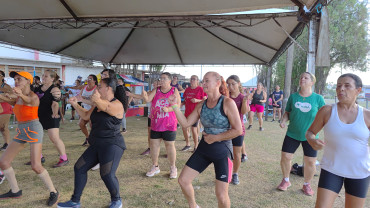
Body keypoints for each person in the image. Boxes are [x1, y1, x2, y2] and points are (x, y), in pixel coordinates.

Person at [169, 72, 242, 208]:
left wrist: (216, 137)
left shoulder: (227, 102)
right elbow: (185, 123)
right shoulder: (201, 105)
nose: (204, 84)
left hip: (222, 150)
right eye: (203, 81)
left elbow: (238, 130)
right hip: (204, 148)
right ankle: (193, 206)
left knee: (221, 195)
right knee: (183, 180)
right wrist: (174, 106)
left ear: (218, 83)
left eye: (207, 81)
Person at [57, 78, 125, 208]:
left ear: (108, 89)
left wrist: (96, 99)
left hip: (112, 144)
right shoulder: (97, 104)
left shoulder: (117, 104)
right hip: (96, 143)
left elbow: (107, 108)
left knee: (106, 174)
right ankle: (75, 201)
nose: (97, 89)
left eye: (100, 87)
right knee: (79, 168)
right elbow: (86, 116)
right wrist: (75, 104)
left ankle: (116, 200)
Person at [306, 73, 370, 207]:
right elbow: (310, 132)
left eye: (347, 86)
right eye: (338, 86)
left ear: (358, 90)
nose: (341, 89)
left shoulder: (367, 115)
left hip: (359, 173)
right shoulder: (327, 111)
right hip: (331, 169)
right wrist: (312, 140)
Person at [0, 71, 59, 206]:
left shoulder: (33, 96)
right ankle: (15, 191)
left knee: (36, 166)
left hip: (33, 129)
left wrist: (19, 94)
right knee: (3, 162)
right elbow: (12, 101)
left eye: (19, 79)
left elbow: (31, 102)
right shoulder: (18, 97)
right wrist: (4, 96)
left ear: (28, 81)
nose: (16, 81)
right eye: (15, 79)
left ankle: (54, 191)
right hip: (21, 130)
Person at [277, 72, 325, 196]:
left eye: (306, 77)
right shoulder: (293, 97)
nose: (302, 79)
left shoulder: (318, 98)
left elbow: (324, 116)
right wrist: (283, 121)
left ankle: (307, 184)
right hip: (292, 133)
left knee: (310, 161)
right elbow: (287, 112)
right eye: (301, 77)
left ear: (312, 82)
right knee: (286, 157)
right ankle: (286, 180)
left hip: (311, 136)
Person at [128, 72, 181, 179]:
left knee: (169, 145)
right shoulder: (156, 90)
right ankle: (155, 166)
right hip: (156, 123)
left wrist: (169, 109)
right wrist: (144, 95)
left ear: (170, 81)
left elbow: (178, 105)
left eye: (164, 79)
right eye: (160, 78)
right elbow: (148, 99)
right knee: (154, 145)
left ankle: (173, 167)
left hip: (169, 123)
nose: (161, 80)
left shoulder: (174, 90)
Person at [34, 70, 69, 167]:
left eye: (46, 76)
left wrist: (54, 113)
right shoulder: (37, 88)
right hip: (39, 116)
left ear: (52, 79)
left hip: (52, 116)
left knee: (54, 137)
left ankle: (64, 158)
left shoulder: (55, 89)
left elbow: (55, 104)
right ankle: (39, 157)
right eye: (43, 76)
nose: (43, 77)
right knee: (36, 137)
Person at [226, 75, 250, 185]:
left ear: (238, 84)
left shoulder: (242, 97)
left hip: (238, 130)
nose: (231, 86)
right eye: (229, 84)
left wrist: (244, 101)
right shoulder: (225, 97)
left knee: (236, 154)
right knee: (225, 154)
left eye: (233, 84)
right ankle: (226, 172)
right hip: (225, 130)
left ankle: (235, 173)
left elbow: (244, 112)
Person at [181, 75, 205, 152]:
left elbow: (205, 100)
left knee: (194, 129)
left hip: (195, 113)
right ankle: (188, 144)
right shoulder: (187, 89)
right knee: (184, 128)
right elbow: (185, 99)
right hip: (187, 112)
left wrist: (197, 100)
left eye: (194, 79)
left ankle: (196, 146)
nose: (192, 81)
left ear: (197, 81)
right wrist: (182, 104)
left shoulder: (200, 89)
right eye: (191, 79)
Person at [139, 80, 160, 156]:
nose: (154, 84)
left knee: (162, 134)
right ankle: (150, 148)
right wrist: (130, 94)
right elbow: (142, 97)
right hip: (151, 115)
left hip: (159, 116)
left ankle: (168, 150)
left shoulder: (161, 93)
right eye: (153, 83)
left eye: (156, 83)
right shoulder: (150, 92)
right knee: (149, 132)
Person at [76, 75, 98, 146]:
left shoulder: (96, 88)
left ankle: (94, 140)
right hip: (85, 110)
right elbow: (79, 97)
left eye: (90, 79)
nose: (88, 80)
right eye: (87, 78)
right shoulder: (84, 87)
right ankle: (88, 138)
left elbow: (94, 101)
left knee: (92, 126)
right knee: (81, 124)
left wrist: (83, 98)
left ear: (94, 81)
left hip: (93, 110)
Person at [0, 70, 13, 151]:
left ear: (2, 76)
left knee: (3, 127)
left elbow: (11, 96)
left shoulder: (6, 86)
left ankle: (7, 144)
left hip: (5, 107)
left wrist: (3, 97)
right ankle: (6, 144)